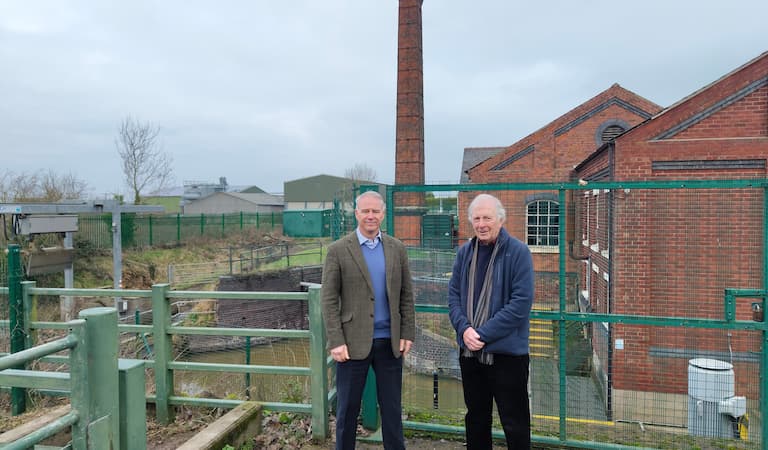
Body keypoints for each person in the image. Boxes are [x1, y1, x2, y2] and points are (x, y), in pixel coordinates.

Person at [321, 190, 416, 450]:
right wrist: (336, 341)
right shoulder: (338, 250)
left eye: (376, 211)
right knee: (347, 411)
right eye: (366, 211)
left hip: (390, 343)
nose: (371, 216)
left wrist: (407, 332)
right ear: (356, 214)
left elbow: (406, 294)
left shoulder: (397, 249)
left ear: (383, 214)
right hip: (352, 344)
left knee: (392, 410)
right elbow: (328, 300)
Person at [448, 193, 535, 449]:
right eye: (476, 218)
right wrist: (464, 330)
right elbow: (453, 296)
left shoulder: (518, 252)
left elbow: (520, 304)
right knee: (476, 419)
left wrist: (481, 334)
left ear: (500, 219)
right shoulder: (464, 253)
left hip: (508, 356)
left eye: (487, 217)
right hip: (470, 354)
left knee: (515, 422)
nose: (481, 223)